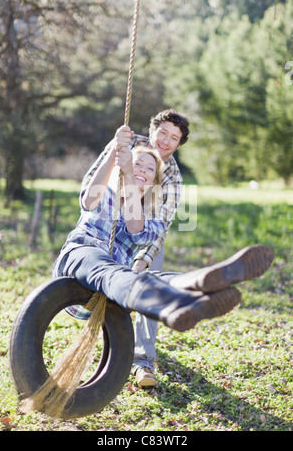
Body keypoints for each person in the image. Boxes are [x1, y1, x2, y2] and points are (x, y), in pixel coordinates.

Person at [52, 131, 274, 371]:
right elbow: (88, 201)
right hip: (77, 267)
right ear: (122, 165)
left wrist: (129, 174)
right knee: (108, 268)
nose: (142, 171)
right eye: (138, 164)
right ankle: (168, 303)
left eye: (149, 170)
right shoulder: (105, 192)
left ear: (152, 185)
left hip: (111, 293)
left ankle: (197, 286)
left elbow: (135, 228)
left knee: (149, 277)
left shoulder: (152, 221)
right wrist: (115, 154)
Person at [80, 109, 189, 386]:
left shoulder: (173, 178)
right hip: (108, 221)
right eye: (162, 132)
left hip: (145, 232)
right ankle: (105, 329)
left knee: (146, 283)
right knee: (102, 280)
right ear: (152, 130)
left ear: (178, 144)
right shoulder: (126, 143)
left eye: (173, 138)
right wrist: (117, 147)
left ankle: (142, 361)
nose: (165, 141)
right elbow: (92, 187)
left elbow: (159, 228)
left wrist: (143, 259)